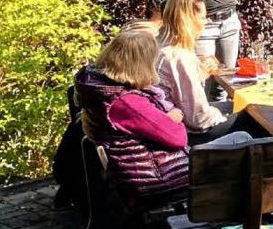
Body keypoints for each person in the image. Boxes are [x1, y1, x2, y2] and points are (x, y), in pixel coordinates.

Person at [75, 29, 249, 200]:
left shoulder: (102, 90)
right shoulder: (127, 103)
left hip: (146, 166)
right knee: (245, 141)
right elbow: (179, 138)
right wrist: (173, 116)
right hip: (159, 174)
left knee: (242, 138)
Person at [158, 0, 238, 144]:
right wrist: (220, 116)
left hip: (170, 123)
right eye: (202, 18)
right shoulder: (178, 57)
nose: (206, 22)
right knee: (251, 120)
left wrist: (199, 73)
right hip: (185, 135)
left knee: (234, 107)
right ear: (188, 20)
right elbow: (198, 120)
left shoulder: (159, 43)